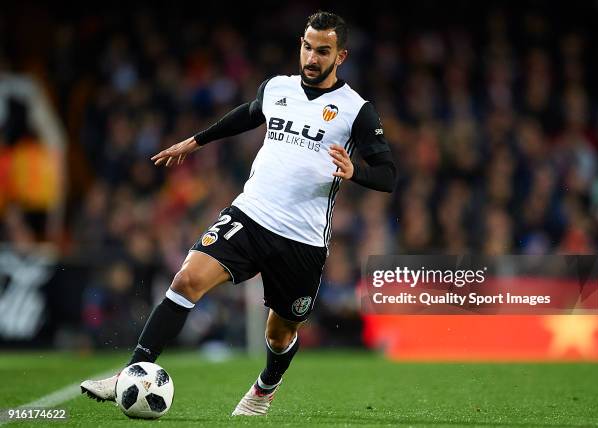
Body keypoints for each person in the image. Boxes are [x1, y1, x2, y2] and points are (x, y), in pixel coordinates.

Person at [80, 11, 396, 416]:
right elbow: (247, 115)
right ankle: (130, 374)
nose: (312, 58)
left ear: (341, 56)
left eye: (323, 51)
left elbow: (388, 175)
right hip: (250, 215)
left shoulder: (356, 109)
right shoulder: (277, 88)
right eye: (307, 47)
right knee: (187, 278)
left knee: (280, 333)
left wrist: (357, 172)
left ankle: (264, 389)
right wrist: (195, 141)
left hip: (302, 239)